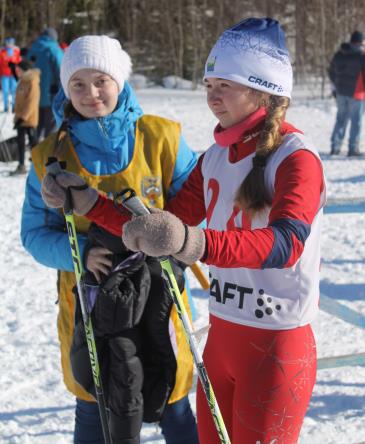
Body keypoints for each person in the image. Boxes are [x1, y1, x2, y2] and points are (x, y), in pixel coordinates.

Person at [41, 18, 327, 443]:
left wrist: (194, 242)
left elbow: (285, 244)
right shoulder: (215, 157)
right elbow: (157, 229)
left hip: (276, 348)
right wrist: (89, 203)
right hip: (223, 339)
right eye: (208, 84)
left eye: (223, 85)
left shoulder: (296, 158)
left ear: (262, 89)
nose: (211, 96)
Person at [21, 35, 199, 443]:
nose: (91, 93)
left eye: (100, 80)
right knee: (93, 400)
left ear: (119, 80)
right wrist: (81, 253)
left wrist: (176, 239)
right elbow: (33, 234)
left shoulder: (161, 138)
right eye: (78, 85)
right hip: (91, 304)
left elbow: (198, 206)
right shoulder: (50, 155)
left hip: (160, 300)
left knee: (172, 396)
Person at [329, 30, 365, 156]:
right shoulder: (361, 55)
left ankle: (335, 146)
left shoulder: (340, 53)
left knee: (341, 119)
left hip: (341, 92)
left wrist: (335, 87)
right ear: (361, 42)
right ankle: (353, 148)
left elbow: (331, 71)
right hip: (357, 94)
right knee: (356, 121)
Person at [27, 27, 63, 139]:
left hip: (34, 93)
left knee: (38, 122)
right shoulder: (54, 49)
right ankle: (47, 150)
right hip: (51, 94)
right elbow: (61, 70)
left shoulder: (33, 48)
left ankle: (35, 147)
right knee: (51, 124)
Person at [9, 59, 40, 175]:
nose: (17, 72)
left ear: (25, 70)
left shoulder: (32, 81)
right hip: (20, 118)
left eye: (19, 70)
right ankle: (21, 165)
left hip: (29, 119)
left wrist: (23, 117)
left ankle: (39, 164)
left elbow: (31, 102)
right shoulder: (23, 80)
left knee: (34, 143)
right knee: (20, 142)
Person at [0, 37, 21, 112]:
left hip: (13, 74)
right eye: (7, 42)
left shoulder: (16, 51)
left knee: (14, 91)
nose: (9, 44)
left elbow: (19, 62)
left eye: (11, 42)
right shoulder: (1, 51)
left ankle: (14, 106)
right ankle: (6, 106)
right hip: (4, 75)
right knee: (5, 91)